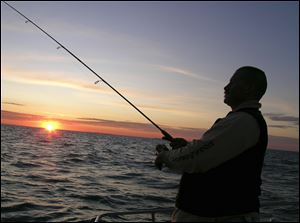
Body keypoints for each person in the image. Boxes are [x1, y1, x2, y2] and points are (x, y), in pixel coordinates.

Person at [155, 66, 268, 222]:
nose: (226, 87)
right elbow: (212, 155)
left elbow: (196, 159)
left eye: (232, 82)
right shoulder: (241, 121)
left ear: (248, 88)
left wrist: (165, 156)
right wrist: (185, 147)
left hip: (217, 216)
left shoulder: (242, 121)